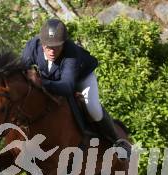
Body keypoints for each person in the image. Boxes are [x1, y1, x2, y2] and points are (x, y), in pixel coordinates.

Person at [21, 18, 131, 160]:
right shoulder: (32, 47)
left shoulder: (71, 53)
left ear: (64, 44)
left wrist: (40, 82)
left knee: (93, 109)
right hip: (54, 80)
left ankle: (118, 141)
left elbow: (67, 87)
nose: (52, 51)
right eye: (48, 47)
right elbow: (20, 72)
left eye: (57, 47)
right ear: (42, 44)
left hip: (81, 78)